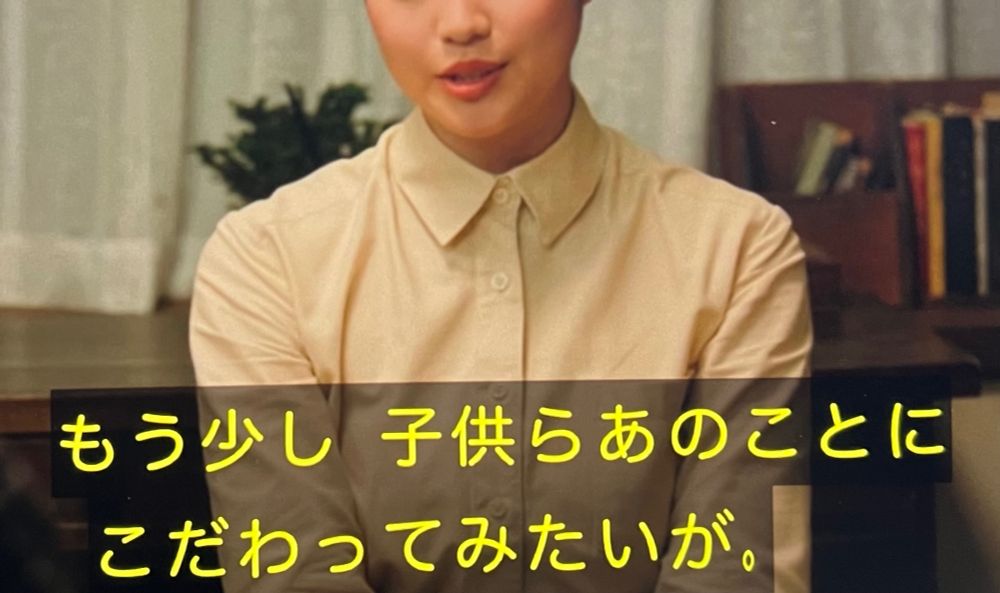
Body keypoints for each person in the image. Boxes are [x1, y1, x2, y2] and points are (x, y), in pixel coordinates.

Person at [190, 1, 813, 592]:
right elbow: (292, 571)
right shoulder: (266, 259)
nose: (461, 23)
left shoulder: (737, 248)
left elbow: (739, 569)